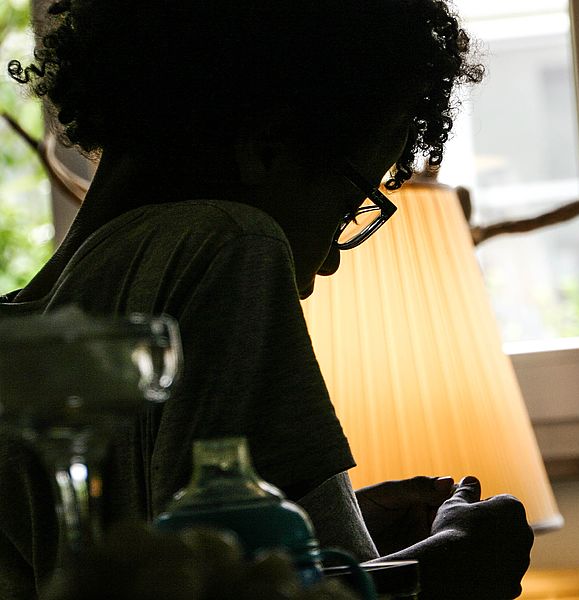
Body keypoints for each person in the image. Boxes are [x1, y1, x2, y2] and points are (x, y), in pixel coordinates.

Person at [0, 1, 533, 598]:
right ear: (269, 144)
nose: (328, 261)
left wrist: (327, 527)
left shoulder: (29, 336)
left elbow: (181, 577)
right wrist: (453, 565)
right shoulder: (224, 244)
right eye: (350, 203)